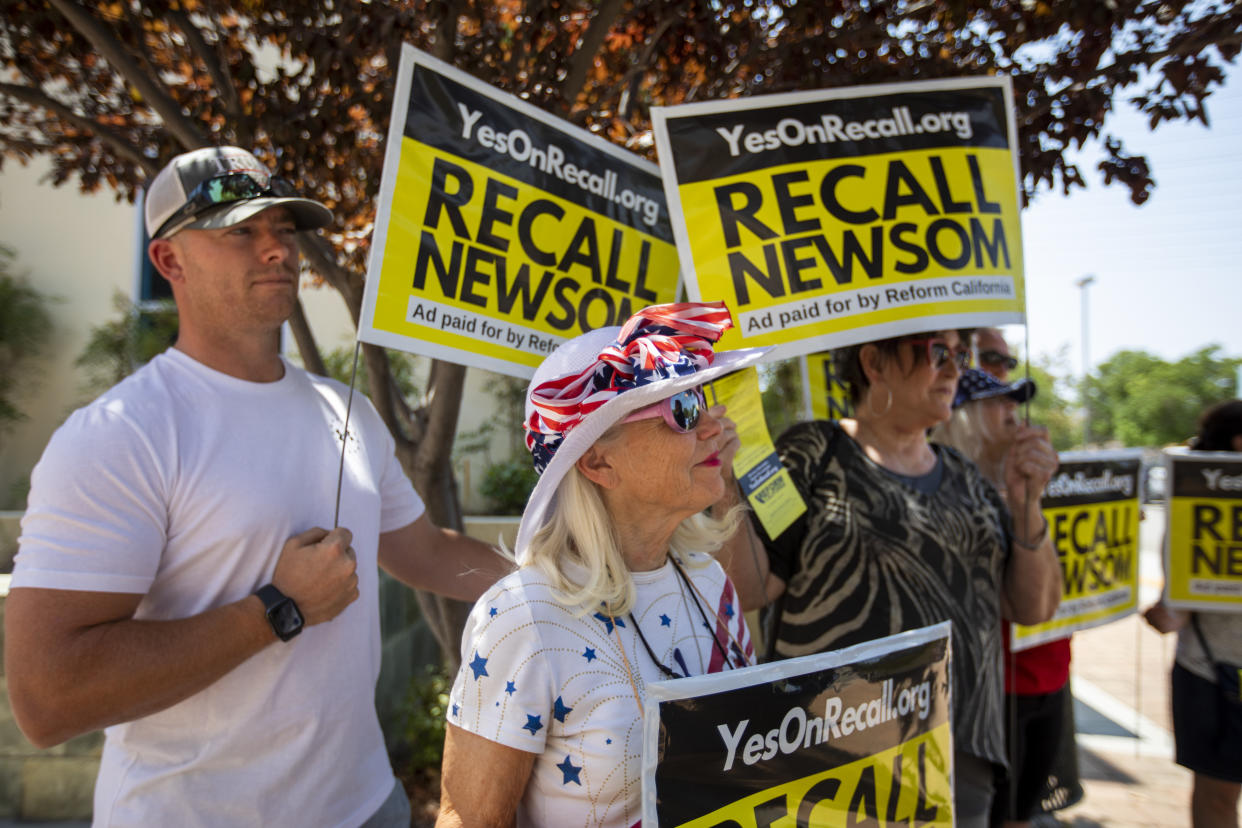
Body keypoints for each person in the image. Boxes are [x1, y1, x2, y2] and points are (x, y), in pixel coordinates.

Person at [3, 146, 510, 827]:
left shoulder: (347, 409)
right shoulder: (122, 435)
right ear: (169, 261)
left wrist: (557, 575)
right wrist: (279, 607)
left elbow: (424, 553)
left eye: (284, 230)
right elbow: (48, 700)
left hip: (367, 809)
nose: (276, 251)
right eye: (242, 230)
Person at [436, 303, 766, 827]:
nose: (712, 426)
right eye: (681, 409)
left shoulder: (709, 581)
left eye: (702, 399)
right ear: (597, 461)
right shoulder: (523, 617)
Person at [723, 328, 1061, 828]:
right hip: (831, 764)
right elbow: (752, 589)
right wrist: (725, 486)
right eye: (937, 353)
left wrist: (1028, 504)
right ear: (873, 362)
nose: (955, 370)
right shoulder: (811, 451)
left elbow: (1033, 608)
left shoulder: (966, 476)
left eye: (961, 355)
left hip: (956, 758)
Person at [930, 366, 1071, 828]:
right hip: (992, 692)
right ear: (963, 417)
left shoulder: (1019, 486)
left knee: (1020, 815)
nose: (1015, 412)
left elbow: (1046, 601)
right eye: (999, 401)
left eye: (1015, 400)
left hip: (1047, 677)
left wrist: (1028, 503)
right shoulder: (943, 494)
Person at [1144, 399, 1242, 828]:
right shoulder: (1194, 506)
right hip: (1213, 674)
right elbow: (1175, 611)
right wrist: (1166, 615)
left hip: (1207, 671)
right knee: (1218, 794)